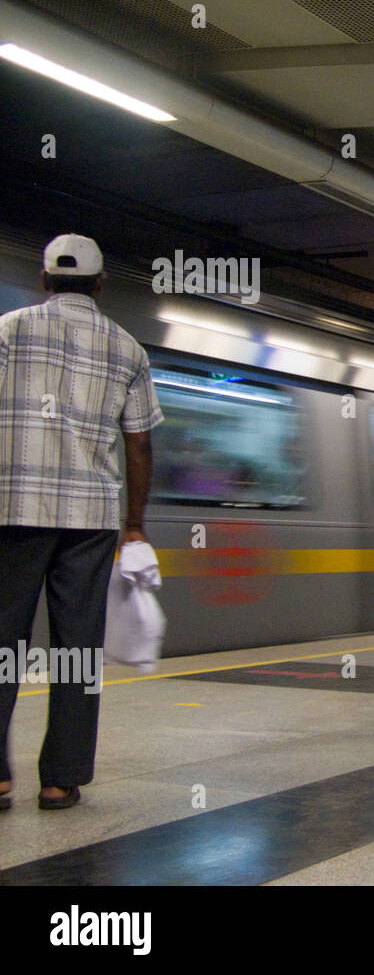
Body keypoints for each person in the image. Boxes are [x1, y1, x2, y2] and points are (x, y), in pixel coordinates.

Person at [0, 235, 162, 812]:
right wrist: (134, 525)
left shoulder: (8, 330)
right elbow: (138, 444)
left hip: (11, 511)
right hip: (90, 518)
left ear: (44, 280)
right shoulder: (127, 348)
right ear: (99, 285)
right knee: (76, 647)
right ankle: (59, 779)